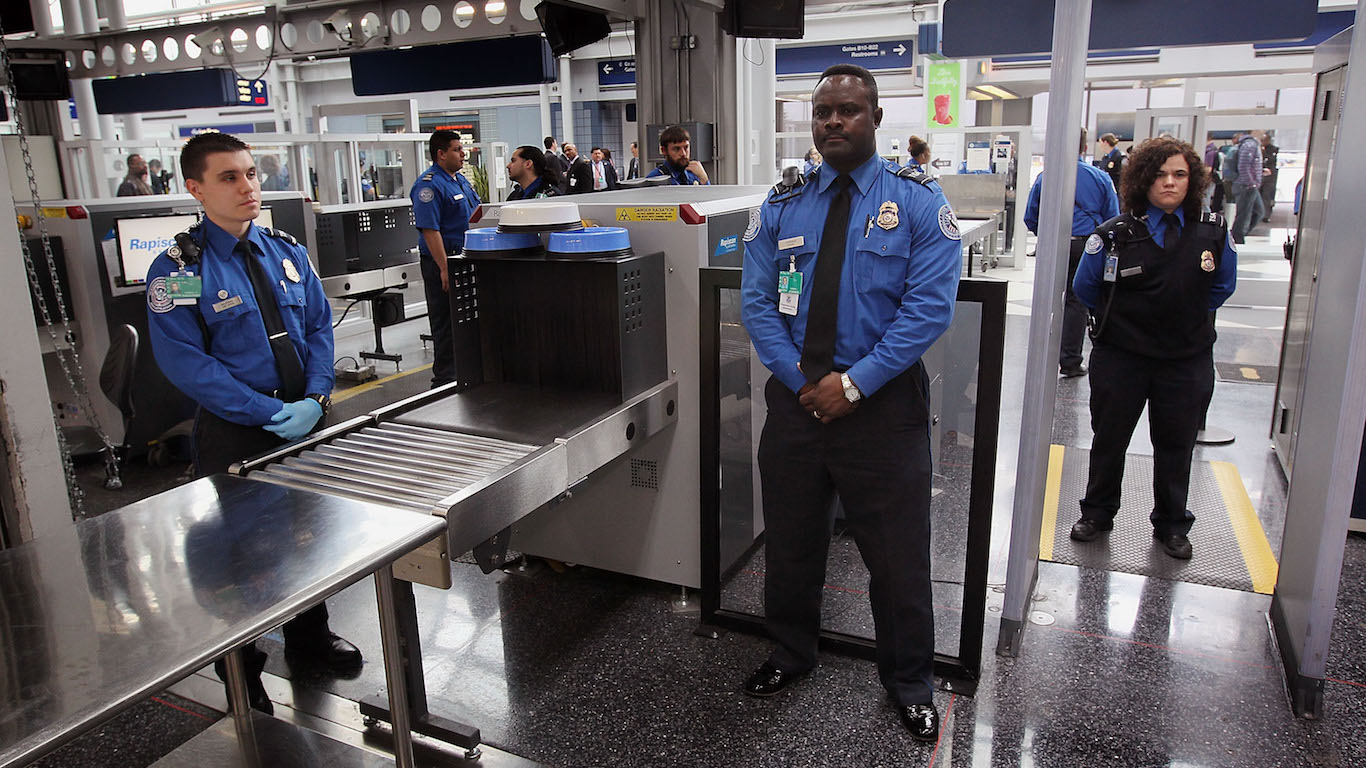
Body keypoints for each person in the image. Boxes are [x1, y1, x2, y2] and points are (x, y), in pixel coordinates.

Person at [739, 63, 962, 742]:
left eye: (848, 111)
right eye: (823, 112)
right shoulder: (784, 203)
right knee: (792, 544)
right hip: (798, 402)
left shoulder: (917, 202)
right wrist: (804, 381)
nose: (833, 122)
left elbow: (928, 309)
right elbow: (758, 302)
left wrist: (855, 383)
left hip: (883, 410)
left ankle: (908, 682)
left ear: (875, 118)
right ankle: (790, 652)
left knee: (896, 558)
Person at [144, 131, 360, 715]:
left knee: (307, 536)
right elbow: (185, 362)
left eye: (251, 174)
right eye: (229, 178)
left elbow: (318, 327)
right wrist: (268, 412)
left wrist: (316, 397)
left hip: (304, 419)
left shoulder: (286, 250)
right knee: (239, 557)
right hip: (236, 429)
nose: (248, 187)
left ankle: (309, 637)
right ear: (195, 188)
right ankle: (242, 667)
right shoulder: (178, 271)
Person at [1069, 136, 1237, 561]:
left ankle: (1172, 523)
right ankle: (1098, 513)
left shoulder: (1212, 232)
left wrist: (1181, 315)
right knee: (1109, 439)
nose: (1169, 183)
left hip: (1185, 359)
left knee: (1176, 444)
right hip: (1122, 358)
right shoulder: (1114, 235)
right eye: (1160, 175)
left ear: (1192, 180)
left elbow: (1222, 286)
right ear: (1143, 180)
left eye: (1179, 175)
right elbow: (1086, 288)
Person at [1023, 126, 1120, 378]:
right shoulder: (1100, 178)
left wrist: (1045, 236)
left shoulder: (1046, 177)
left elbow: (1030, 217)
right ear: (1084, 147)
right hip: (1087, 245)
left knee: (1048, 299)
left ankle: (1040, 358)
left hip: (1054, 244)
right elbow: (1113, 219)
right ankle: (1070, 360)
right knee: (1077, 301)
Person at [410, 130, 480, 388]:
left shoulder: (459, 180)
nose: (463, 154)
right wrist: (444, 268)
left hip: (465, 258)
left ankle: (466, 373)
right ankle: (444, 381)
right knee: (446, 322)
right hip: (443, 261)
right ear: (441, 154)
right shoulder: (428, 185)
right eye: (456, 149)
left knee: (466, 320)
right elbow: (430, 230)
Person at [1231, 130, 1264, 243]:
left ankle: (1238, 235)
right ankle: (1236, 238)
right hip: (1245, 185)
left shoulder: (1250, 144)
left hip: (1248, 185)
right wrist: (1250, 182)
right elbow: (1243, 166)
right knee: (1243, 214)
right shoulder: (1249, 145)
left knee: (1258, 212)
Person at [1259, 132, 1279, 222]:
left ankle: (1266, 215)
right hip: (1259, 175)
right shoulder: (1258, 149)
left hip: (1270, 176)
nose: (1262, 142)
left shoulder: (1274, 149)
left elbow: (1271, 160)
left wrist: (1264, 153)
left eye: (1264, 140)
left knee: (1267, 195)